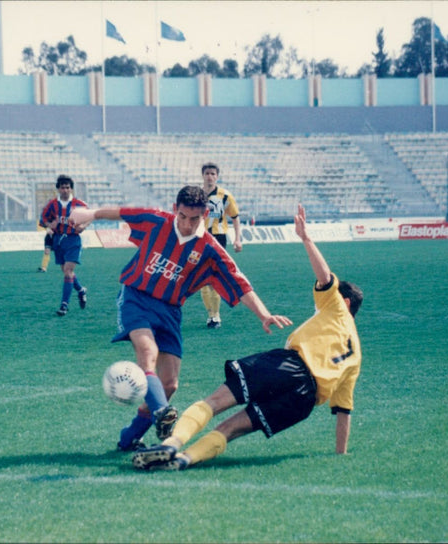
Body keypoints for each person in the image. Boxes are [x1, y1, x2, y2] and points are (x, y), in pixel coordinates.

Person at [132, 203, 363, 471]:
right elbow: (343, 412)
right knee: (230, 429)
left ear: (344, 302)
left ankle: (170, 444)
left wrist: (306, 238)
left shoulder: (336, 308)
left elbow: (324, 278)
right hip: (303, 401)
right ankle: (185, 459)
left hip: (288, 366)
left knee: (214, 402)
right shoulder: (356, 355)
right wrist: (341, 455)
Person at [68, 185, 292, 452]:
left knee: (170, 384)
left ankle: (129, 438)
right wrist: (91, 214)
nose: (187, 224)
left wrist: (264, 315)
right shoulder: (156, 221)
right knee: (147, 352)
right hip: (136, 297)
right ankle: (162, 412)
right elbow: (120, 212)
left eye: (194, 219)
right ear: (175, 210)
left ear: (205, 214)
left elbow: (239, 282)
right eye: (183, 216)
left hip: (171, 311)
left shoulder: (210, 249)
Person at [200, 162, 243, 329]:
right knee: (203, 278)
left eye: (213, 174)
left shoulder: (225, 196)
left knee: (215, 277)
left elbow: (235, 216)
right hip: (199, 238)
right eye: (207, 173)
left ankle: (216, 315)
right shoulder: (196, 195)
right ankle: (210, 315)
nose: (210, 176)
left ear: (217, 176)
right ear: (203, 175)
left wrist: (237, 239)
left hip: (218, 238)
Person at [39, 175, 88, 316]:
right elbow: (43, 219)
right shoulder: (52, 205)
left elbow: (91, 216)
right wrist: (49, 225)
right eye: (62, 187)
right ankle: (81, 290)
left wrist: (83, 226)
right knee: (67, 272)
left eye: (68, 187)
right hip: (59, 240)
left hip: (73, 240)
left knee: (68, 271)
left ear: (71, 188)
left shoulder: (79, 204)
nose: (65, 190)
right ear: (58, 189)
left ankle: (64, 305)